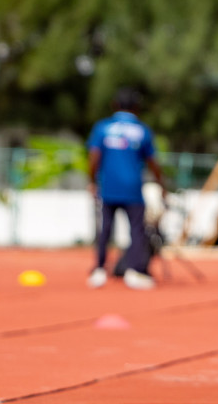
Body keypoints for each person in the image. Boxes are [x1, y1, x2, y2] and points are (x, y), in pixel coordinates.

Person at [87, 89, 167, 289]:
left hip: (109, 186)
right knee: (137, 231)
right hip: (132, 188)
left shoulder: (103, 127)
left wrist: (92, 180)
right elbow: (153, 162)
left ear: (115, 104)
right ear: (137, 107)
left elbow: (94, 156)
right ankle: (135, 271)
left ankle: (98, 270)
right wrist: (161, 184)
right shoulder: (142, 130)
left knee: (105, 229)